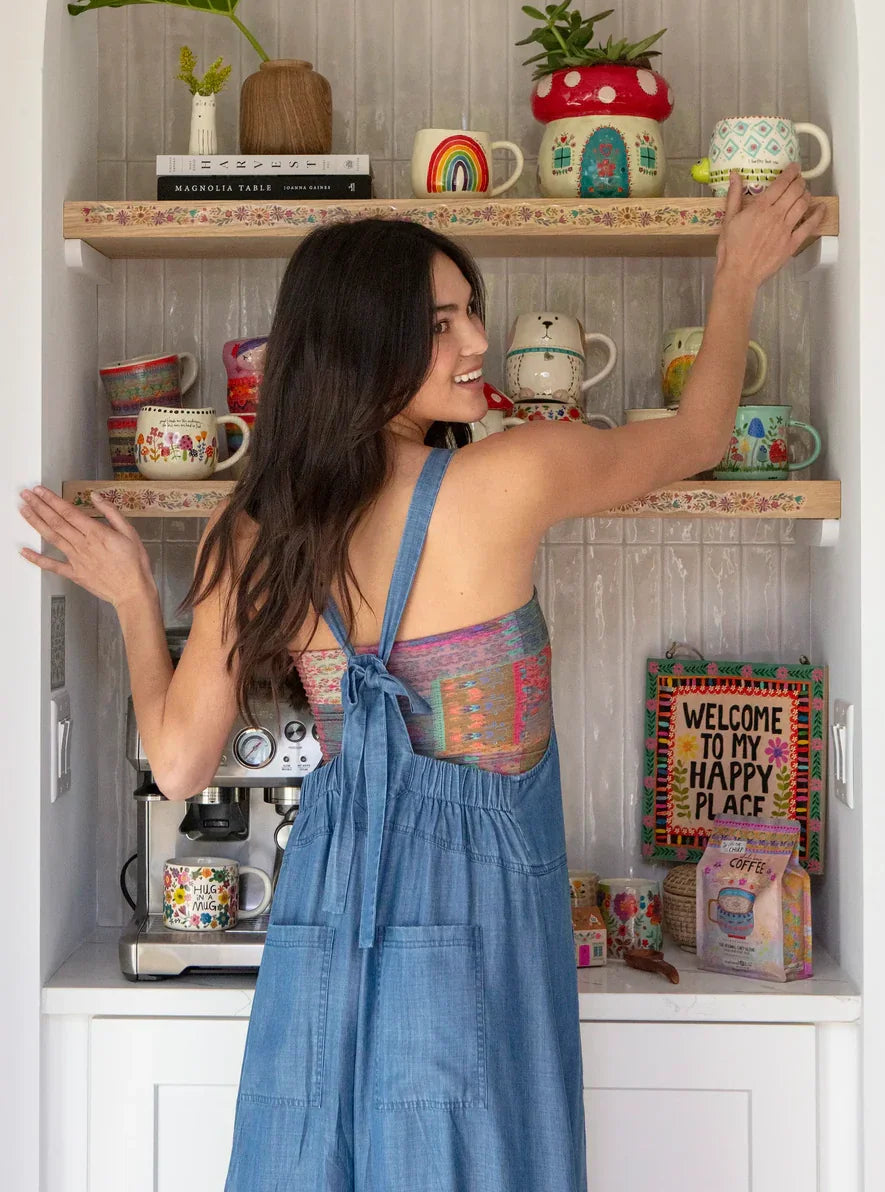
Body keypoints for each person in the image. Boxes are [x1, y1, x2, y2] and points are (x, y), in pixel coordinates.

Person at [18, 164, 823, 1190]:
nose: (478, 342)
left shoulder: (251, 525)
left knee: (319, 1156)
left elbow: (177, 765)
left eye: (471, 312)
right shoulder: (511, 473)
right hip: (482, 917)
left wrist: (137, 596)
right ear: (363, 342)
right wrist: (736, 278)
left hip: (327, 910)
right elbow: (703, 437)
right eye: (444, 322)